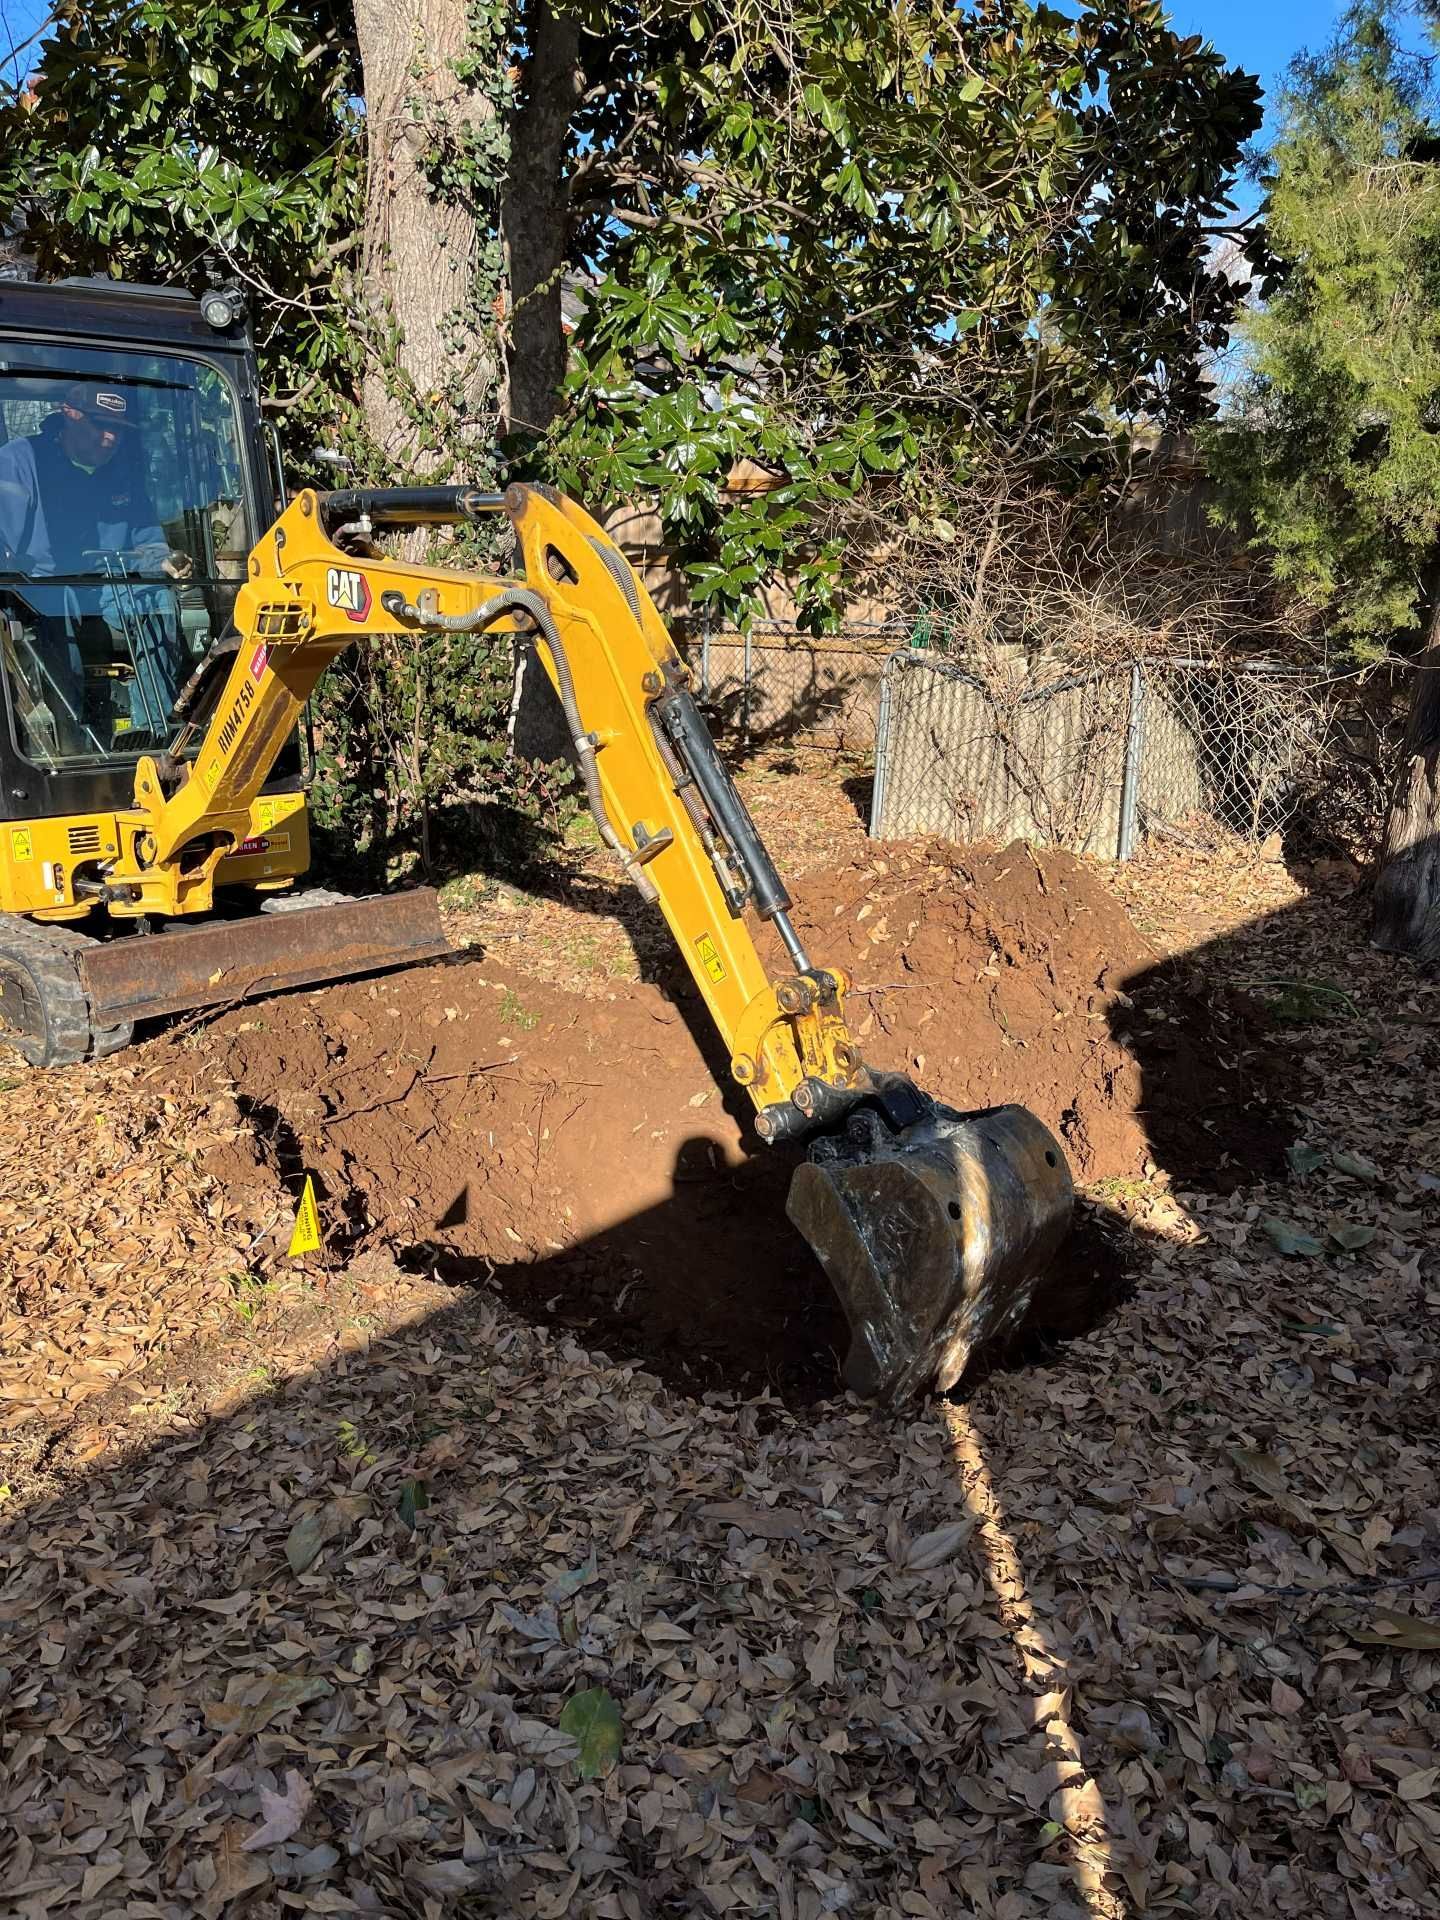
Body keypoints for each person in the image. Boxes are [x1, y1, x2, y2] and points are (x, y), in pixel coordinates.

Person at [0, 383, 189, 751]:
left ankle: (154, 730)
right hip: (43, 584)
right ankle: (74, 738)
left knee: (152, 598)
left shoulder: (124, 473)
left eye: (118, 429)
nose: (111, 436)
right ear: (70, 414)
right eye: (101, 425)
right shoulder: (19, 461)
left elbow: (146, 541)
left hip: (109, 583)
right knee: (55, 607)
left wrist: (165, 561)